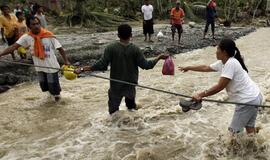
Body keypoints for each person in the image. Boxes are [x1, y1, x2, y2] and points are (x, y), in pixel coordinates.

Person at [74, 24, 169, 114]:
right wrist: (159, 57)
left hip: (116, 86)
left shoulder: (110, 48)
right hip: (130, 85)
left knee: (113, 112)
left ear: (118, 35)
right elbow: (147, 65)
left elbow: (101, 65)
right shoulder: (135, 49)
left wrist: (82, 69)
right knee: (131, 110)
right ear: (131, 35)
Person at [179, 38, 262, 135]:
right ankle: (255, 148)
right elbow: (206, 67)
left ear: (224, 52)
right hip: (255, 97)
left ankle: (235, 150)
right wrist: (189, 67)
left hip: (247, 101)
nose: (216, 51)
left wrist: (200, 95)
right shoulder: (224, 62)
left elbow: (220, 86)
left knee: (233, 134)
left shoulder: (230, 63)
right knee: (249, 129)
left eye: (218, 49)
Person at [0, 16, 70, 102]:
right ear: (29, 26)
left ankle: (58, 105)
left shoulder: (48, 35)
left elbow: (60, 48)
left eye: (37, 24)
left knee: (54, 89)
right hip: (39, 67)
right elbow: (14, 46)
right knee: (44, 87)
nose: (36, 26)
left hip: (51, 67)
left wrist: (66, 61)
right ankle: (50, 104)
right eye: (33, 24)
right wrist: (1, 54)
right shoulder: (26, 37)